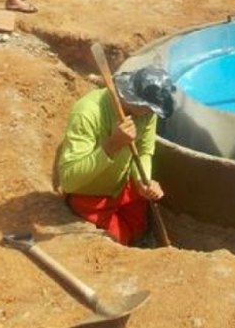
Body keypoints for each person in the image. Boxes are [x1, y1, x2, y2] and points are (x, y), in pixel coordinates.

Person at [55, 66, 176, 246]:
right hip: (91, 197)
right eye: (148, 110)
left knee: (139, 228)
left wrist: (143, 180)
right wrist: (113, 145)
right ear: (137, 100)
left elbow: (143, 151)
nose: (150, 115)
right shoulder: (87, 113)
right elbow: (69, 181)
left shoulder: (147, 112)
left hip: (123, 185)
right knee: (117, 241)